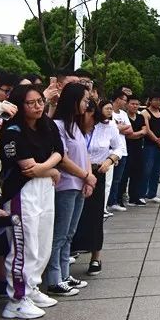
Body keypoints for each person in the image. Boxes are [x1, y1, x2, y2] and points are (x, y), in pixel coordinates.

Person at [0, 85, 63, 319]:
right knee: (24, 245)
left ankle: (32, 287)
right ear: (19, 104)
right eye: (31, 102)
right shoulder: (12, 130)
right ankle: (16, 299)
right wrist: (51, 170)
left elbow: (59, 152)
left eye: (39, 101)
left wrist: (47, 169)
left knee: (43, 240)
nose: (37, 106)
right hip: (21, 192)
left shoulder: (47, 125)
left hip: (44, 187)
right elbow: (26, 167)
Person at [49, 82, 94, 297]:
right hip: (65, 186)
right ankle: (54, 279)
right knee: (59, 234)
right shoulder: (57, 125)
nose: (87, 104)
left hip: (78, 185)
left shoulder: (75, 125)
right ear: (73, 100)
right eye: (84, 100)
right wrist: (86, 175)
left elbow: (83, 154)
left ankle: (65, 275)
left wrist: (87, 178)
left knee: (69, 234)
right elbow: (63, 160)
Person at [72, 99, 121, 277]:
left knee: (95, 215)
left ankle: (95, 256)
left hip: (97, 172)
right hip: (75, 174)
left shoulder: (107, 126)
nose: (88, 117)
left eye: (91, 113)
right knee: (73, 216)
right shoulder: (73, 127)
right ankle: (71, 250)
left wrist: (109, 161)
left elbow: (119, 147)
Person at [106, 89, 132, 212]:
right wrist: (118, 128)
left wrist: (117, 128)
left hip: (122, 149)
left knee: (118, 178)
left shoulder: (123, 114)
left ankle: (114, 201)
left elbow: (129, 129)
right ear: (117, 99)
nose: (126, 103)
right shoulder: (109, 111)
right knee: (109, 179)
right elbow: (108, 127)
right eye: (124, 100)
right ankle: (107, 202)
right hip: (110, 151)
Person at [142, 92, 160, 204]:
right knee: (146, 170)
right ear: (150, 100)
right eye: (156, 100)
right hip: (149, 145)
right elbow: (147, 130)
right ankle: (142, 194)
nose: (158, 102)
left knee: (157, 170)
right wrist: (158, 141)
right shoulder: (145, 113)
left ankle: (152, 194)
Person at [123, 96, 147, 206]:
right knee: (124, 174)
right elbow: (127, 135)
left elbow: (145, 130)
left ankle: (135, 197)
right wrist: (139, 134)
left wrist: (135, 134)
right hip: (126, 148)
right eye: (132, 104)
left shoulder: (140, 117)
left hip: (138, 148)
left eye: (137, 104)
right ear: (127, 104)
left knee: (137, 173)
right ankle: (120, 198)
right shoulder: (123, 117)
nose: (135, 106)